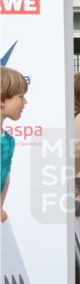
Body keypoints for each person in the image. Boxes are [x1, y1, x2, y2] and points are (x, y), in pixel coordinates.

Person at [1, 66, 29, 223]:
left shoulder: (8, 141)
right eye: (21, 96)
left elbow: (5, 177)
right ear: (2, 100)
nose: (25, 102)